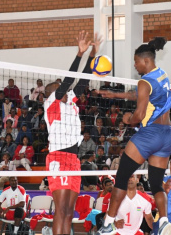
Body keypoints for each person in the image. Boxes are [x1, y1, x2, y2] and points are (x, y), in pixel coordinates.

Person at [97, 37, 171, 235]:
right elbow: (141, 95)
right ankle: (164, 221)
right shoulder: (161, 74)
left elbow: (139, 115)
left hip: (150, 134)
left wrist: (127, 119)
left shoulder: (144, 81)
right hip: (167, 135)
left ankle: (108, 222)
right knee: (156, 182)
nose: (134, 64)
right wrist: (115, 95)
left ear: (144, 60)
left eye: (135, 61)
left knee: (122, 176)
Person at [44, 31, 101, 235]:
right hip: (58, 157)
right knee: (61, 209)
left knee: (69, 211)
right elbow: (68, 81)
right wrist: (79, 54)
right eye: (59, 88)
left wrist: (92, 54)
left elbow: (83, 81)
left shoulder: (71, 104)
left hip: (73, 159)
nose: (65, 91)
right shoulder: (51, 103)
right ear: (52, 93)